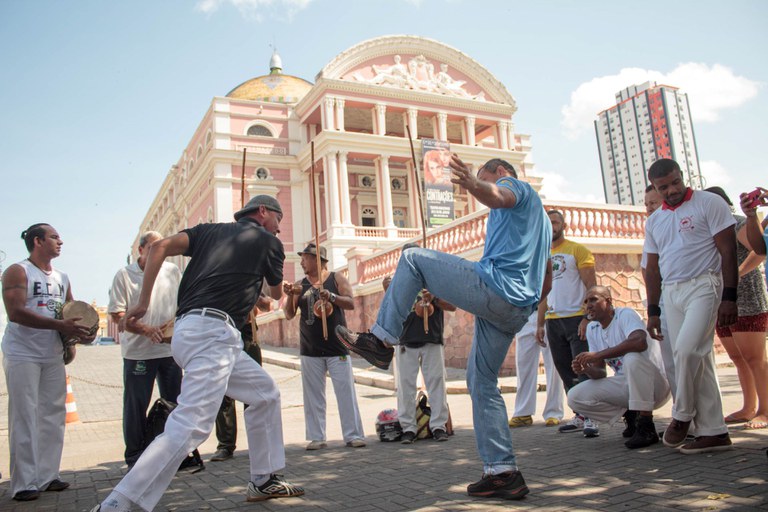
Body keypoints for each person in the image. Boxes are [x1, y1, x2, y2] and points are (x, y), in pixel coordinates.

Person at [337, 156, 552, 501]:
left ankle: (380, 341)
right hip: (515, 307)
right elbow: (547, 276)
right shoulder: (540, 223)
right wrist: (527, 308)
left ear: (499, 173)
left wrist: (475, 184)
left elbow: (499, 195)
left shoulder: (517, 188)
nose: (479, 191)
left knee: (413, 259)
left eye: (485, 178)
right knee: (481, 382)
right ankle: (502, 472)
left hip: (498, 288)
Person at [92, 195, 303, 512]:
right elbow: (273, 296)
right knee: (191, 425)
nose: (279, 226)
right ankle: (116, 504)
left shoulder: (208, 231)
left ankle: (264, 479)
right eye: (279, 218)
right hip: (213, 334)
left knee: (265, 394)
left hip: (194, 330)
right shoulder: (270, 243)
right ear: (263, 212)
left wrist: (143, 302)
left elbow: (159, 246)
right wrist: (280, 284)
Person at [644, 158, 738, 454]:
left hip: (704, 286)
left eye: (675, 182)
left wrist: (730, 297)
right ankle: (715, 432)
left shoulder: (709, 203)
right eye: (663, 187)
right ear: (656, 189)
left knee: (686, 350)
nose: (671, 190)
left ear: (682, 176)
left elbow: (728, 250)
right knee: (700, 359)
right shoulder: (655, 220)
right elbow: (652, 268)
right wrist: (653, 310)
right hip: (671, 293)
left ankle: (682, 413)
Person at [2, 223, 96, 501]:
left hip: (52, 353)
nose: (60, 241)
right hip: (22, 352)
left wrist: (73, 340)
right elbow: (16, 312)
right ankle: (23, 483)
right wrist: (60, 324)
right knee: (24, 415)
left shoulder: (62, 277)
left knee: (53, 416)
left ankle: (47, 475)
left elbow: (71, 313)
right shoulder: (18, 271)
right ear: (37, 241)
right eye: (54, 237)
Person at [108, 231, 183, 468]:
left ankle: (175, 454)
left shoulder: (172, 271)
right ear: (140, 250)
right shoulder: (124, 275)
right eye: (152, 247)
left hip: (169, 352)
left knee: (175, 404)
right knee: (136, 405)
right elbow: (117, 314)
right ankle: (135, 456)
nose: (158, 252)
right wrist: (146, 330)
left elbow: (181, 305)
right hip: (138, 353)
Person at [282, 243, 366, 450]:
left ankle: (353, 434)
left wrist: (332, 297)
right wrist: (290, 295)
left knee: (345, 391)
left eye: (305, 258)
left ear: (317, 260)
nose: (301, 262)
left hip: (337, 346)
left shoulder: (336, 279)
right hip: (310, 348)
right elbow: (289, 314)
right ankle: (317, 436)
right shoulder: (299, 284)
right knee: (313, 395)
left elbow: (350, 302)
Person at [568, 286, 670, 449]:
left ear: (608, 302)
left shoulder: (625, 314)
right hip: (628, 385)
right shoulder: (593, 329)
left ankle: (646, 426)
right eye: (586, 301)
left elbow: (639, 342)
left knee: (632, 358)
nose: (588, 305)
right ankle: (630, 414)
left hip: (656, 386)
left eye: (594, 299)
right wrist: (586, 368)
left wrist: (599, 354)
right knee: (575, 396)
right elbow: (601, 373)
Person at [706, 187, 768, 430]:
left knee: (755, 358)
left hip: (748, 299)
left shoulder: (737, 223)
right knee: (737, 358)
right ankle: (748, 407)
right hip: (722, 300)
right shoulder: (709, 228)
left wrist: (739, 273)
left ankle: (765, 410)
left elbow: (759, 251)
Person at [538, 209, 598, 437]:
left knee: (583, 367)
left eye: (555, 222)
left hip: (576, 319)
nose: (551, 226)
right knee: (565, 370)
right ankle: (579, 414)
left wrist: (587, 317)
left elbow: (592, 287)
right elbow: (544, 293)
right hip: (554, 321)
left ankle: (593, 416)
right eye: (548, 223)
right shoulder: (542, 256)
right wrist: (540, 324)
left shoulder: (577, 250)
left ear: (564, 225)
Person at [381, 270, 457, 444]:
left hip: (432, 338)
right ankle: (408, 428)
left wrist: (434, 298)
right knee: (405, 386)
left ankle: (438, 426)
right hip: (406, 340)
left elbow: (452, 305)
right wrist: (388, 291)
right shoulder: (398, 282)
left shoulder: (435, 279)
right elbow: (389, 308)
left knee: (436, 383)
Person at [209, 293, 272, 462]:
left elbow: (267, 305)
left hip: (247, 335)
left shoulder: (251, 279)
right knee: (224, 391)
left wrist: (257, 298)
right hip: (222, 336)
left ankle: (258, 443)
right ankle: (225, 445)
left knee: (254, 391)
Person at [508, 311, 564, 428]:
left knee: (553, 365)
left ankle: (553, 411)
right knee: (523, 364)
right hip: (526, 313)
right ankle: (523, 412)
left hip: (549, 313)